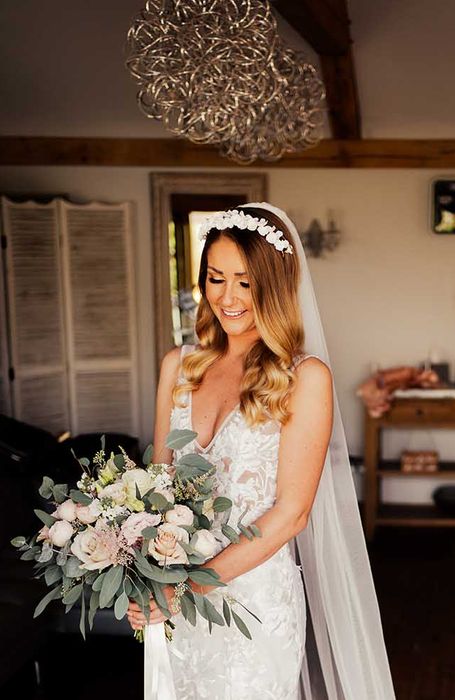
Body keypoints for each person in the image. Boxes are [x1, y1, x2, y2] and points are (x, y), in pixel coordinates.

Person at [128, 203, 395, 699]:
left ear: (273, 285)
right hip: (173, 598)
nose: (228, 298)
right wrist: (142, 576)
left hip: (252, 604)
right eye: (215, 278)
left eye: (245, 283)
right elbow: (157, 493)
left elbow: (292, 514)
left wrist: (189, 587)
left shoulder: (304, 378)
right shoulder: (179, 367)